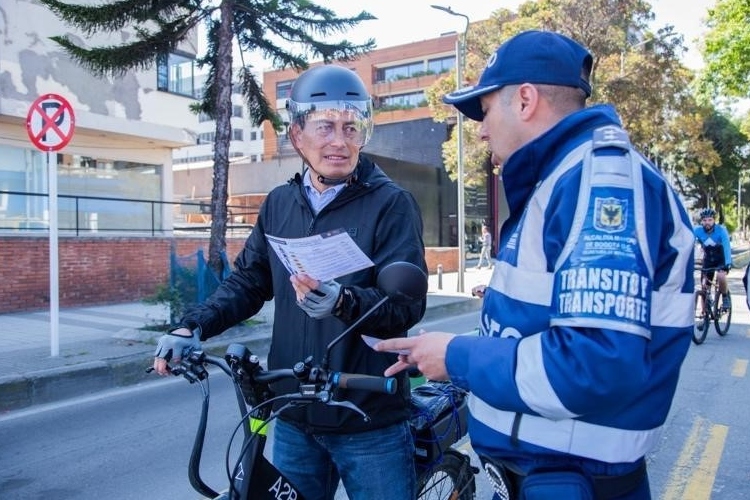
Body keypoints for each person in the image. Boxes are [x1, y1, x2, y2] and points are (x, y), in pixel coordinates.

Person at [374, 30, 695, 499]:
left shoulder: (598, 178)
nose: (480, 131)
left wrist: (457, 355)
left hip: (572, 481)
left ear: (524, 100)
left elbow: (594, 363)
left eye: (483, 111)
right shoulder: (566, 177)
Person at [153, 64, 427, 500]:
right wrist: (193, 325)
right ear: (297, 134)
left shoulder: (391, 203)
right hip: (295, 414)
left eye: (350, 127)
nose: (339, 141)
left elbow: (406, 307)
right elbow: (248, 282)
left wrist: (343, 301)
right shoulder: (280, 203)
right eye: (324, 127)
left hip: (368, 418)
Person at [694, 207, 732, 309]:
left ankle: (725, 297)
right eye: (705, 220)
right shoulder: (697, 230)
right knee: (704, 285)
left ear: (714, 220)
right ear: (701, 221)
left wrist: (728, 263)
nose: (707, 222)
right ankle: (705, 313)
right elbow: (689, 244)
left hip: (721, 258)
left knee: (720, 276)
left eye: (710, 220)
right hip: (708, 259)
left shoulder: (721, 231)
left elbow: (727, 247)